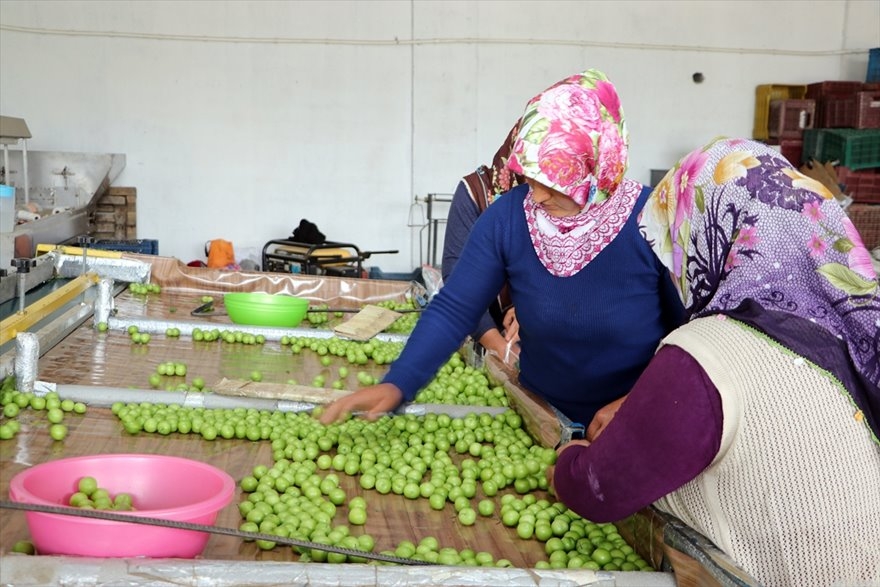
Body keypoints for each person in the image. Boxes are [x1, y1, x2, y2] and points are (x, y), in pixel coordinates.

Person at [550, 137, 880, 587]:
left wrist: (566, 456)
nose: (672, 269)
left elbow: (599, 490)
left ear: (714, 238)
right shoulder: (837, 337)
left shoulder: (710, 349)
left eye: (674, 246)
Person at [320, 68, 684, 428]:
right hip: (541, 417)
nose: (537, 195)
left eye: (555, 184)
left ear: (597, 167)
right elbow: (454, 308)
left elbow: (693, 334)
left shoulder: (651, 220)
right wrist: (399, 382)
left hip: (639, 420)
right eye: (530, 177)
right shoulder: (508, 217)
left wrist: (633, 403)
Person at [441, 121, 524, 361]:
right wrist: (500, 349)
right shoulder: (475, 194)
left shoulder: (568, 202)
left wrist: (533, 309)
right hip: (484, 331)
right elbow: (459, 284)